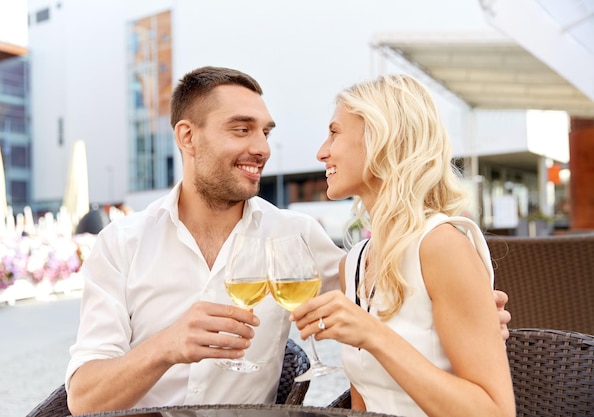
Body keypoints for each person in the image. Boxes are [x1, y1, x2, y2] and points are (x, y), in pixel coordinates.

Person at [66, 66, 511, 415]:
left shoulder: (297, 237)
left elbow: (400, 304)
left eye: (266, 132)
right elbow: (83, 399)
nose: (262, 147)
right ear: (187, 136)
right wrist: (165, 346)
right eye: (242, 129)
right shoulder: (120, 244)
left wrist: (470, 313)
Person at [290, 74, 515, 417]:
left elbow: (494, 412)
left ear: (381, 138)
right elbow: (363, 402)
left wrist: (374, 336)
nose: (322, 152)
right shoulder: (354, 265)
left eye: (335, 132)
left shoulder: (441, 246)